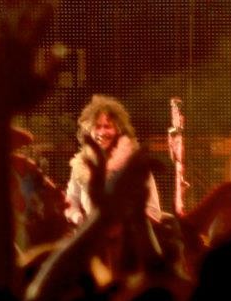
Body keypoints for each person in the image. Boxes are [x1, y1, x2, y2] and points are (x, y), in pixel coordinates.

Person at [65, 95, 162, 226]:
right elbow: (71, 201)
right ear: (89, 130)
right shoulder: (81, 164)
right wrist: (80, 220)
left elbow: (153, 211)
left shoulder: (134, 164)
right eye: (97, 127)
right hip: (93, 237)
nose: (102, 132)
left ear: (119, 130)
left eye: (107, 126)